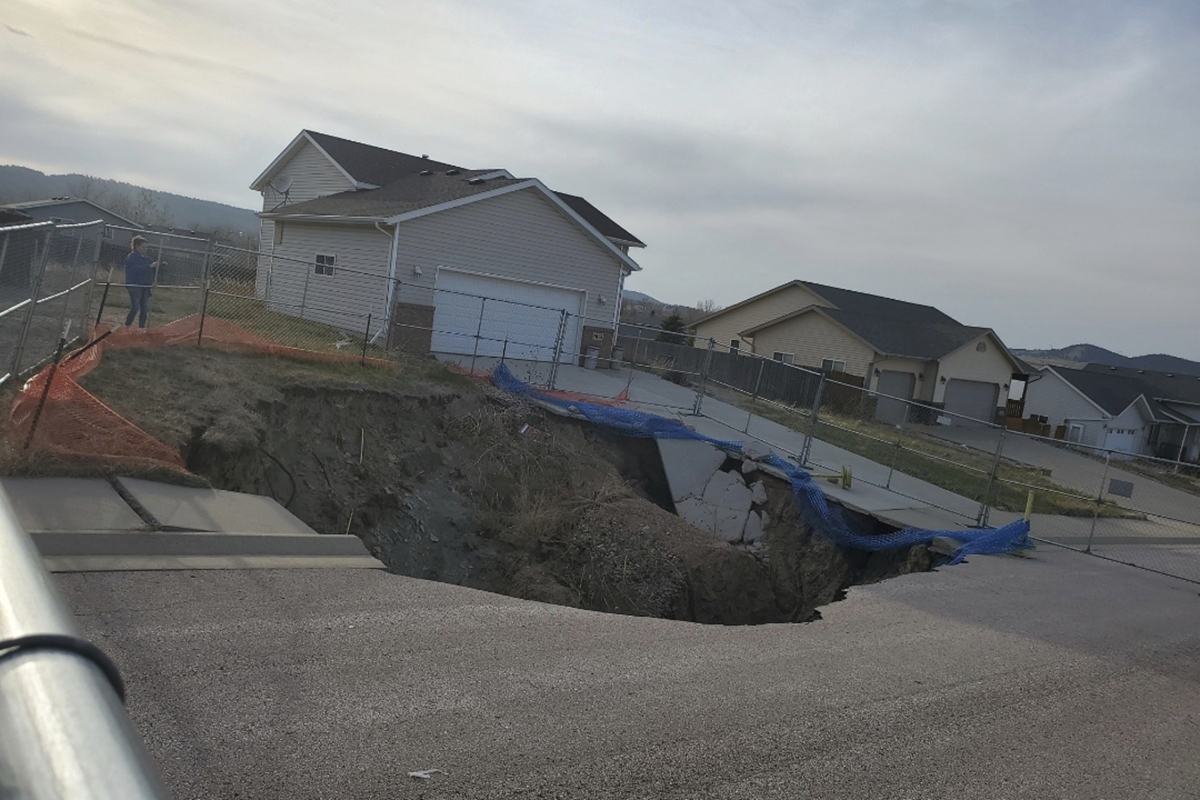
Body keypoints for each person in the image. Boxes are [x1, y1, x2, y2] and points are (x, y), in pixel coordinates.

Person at [123, 236, 161, 328]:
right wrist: (149, 267)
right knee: (135, 308)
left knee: (144, 310)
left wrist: (159, 266)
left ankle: (141, 329)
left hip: (145, 286)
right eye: (143, 247)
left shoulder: (146, 258)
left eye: (146, 247)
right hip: (134, 285)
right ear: (136, 246)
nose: (145, 249)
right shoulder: (132, 257)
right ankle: (127, 326)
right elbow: (135, 270)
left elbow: (150, 271)